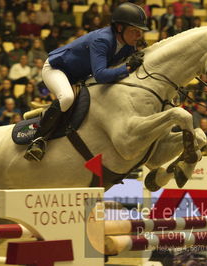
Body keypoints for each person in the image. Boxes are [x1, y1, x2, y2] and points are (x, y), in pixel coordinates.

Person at [24, 2, 148, 162]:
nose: (139, 36)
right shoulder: (102, 40)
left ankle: (46, 113)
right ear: (119, 28)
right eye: (134, 31)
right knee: (67, 98)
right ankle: (37, 141)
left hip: (79, 77)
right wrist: (128, 67)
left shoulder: (127, 45)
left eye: (140, 32)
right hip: (57, 70)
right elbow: (101, 75)